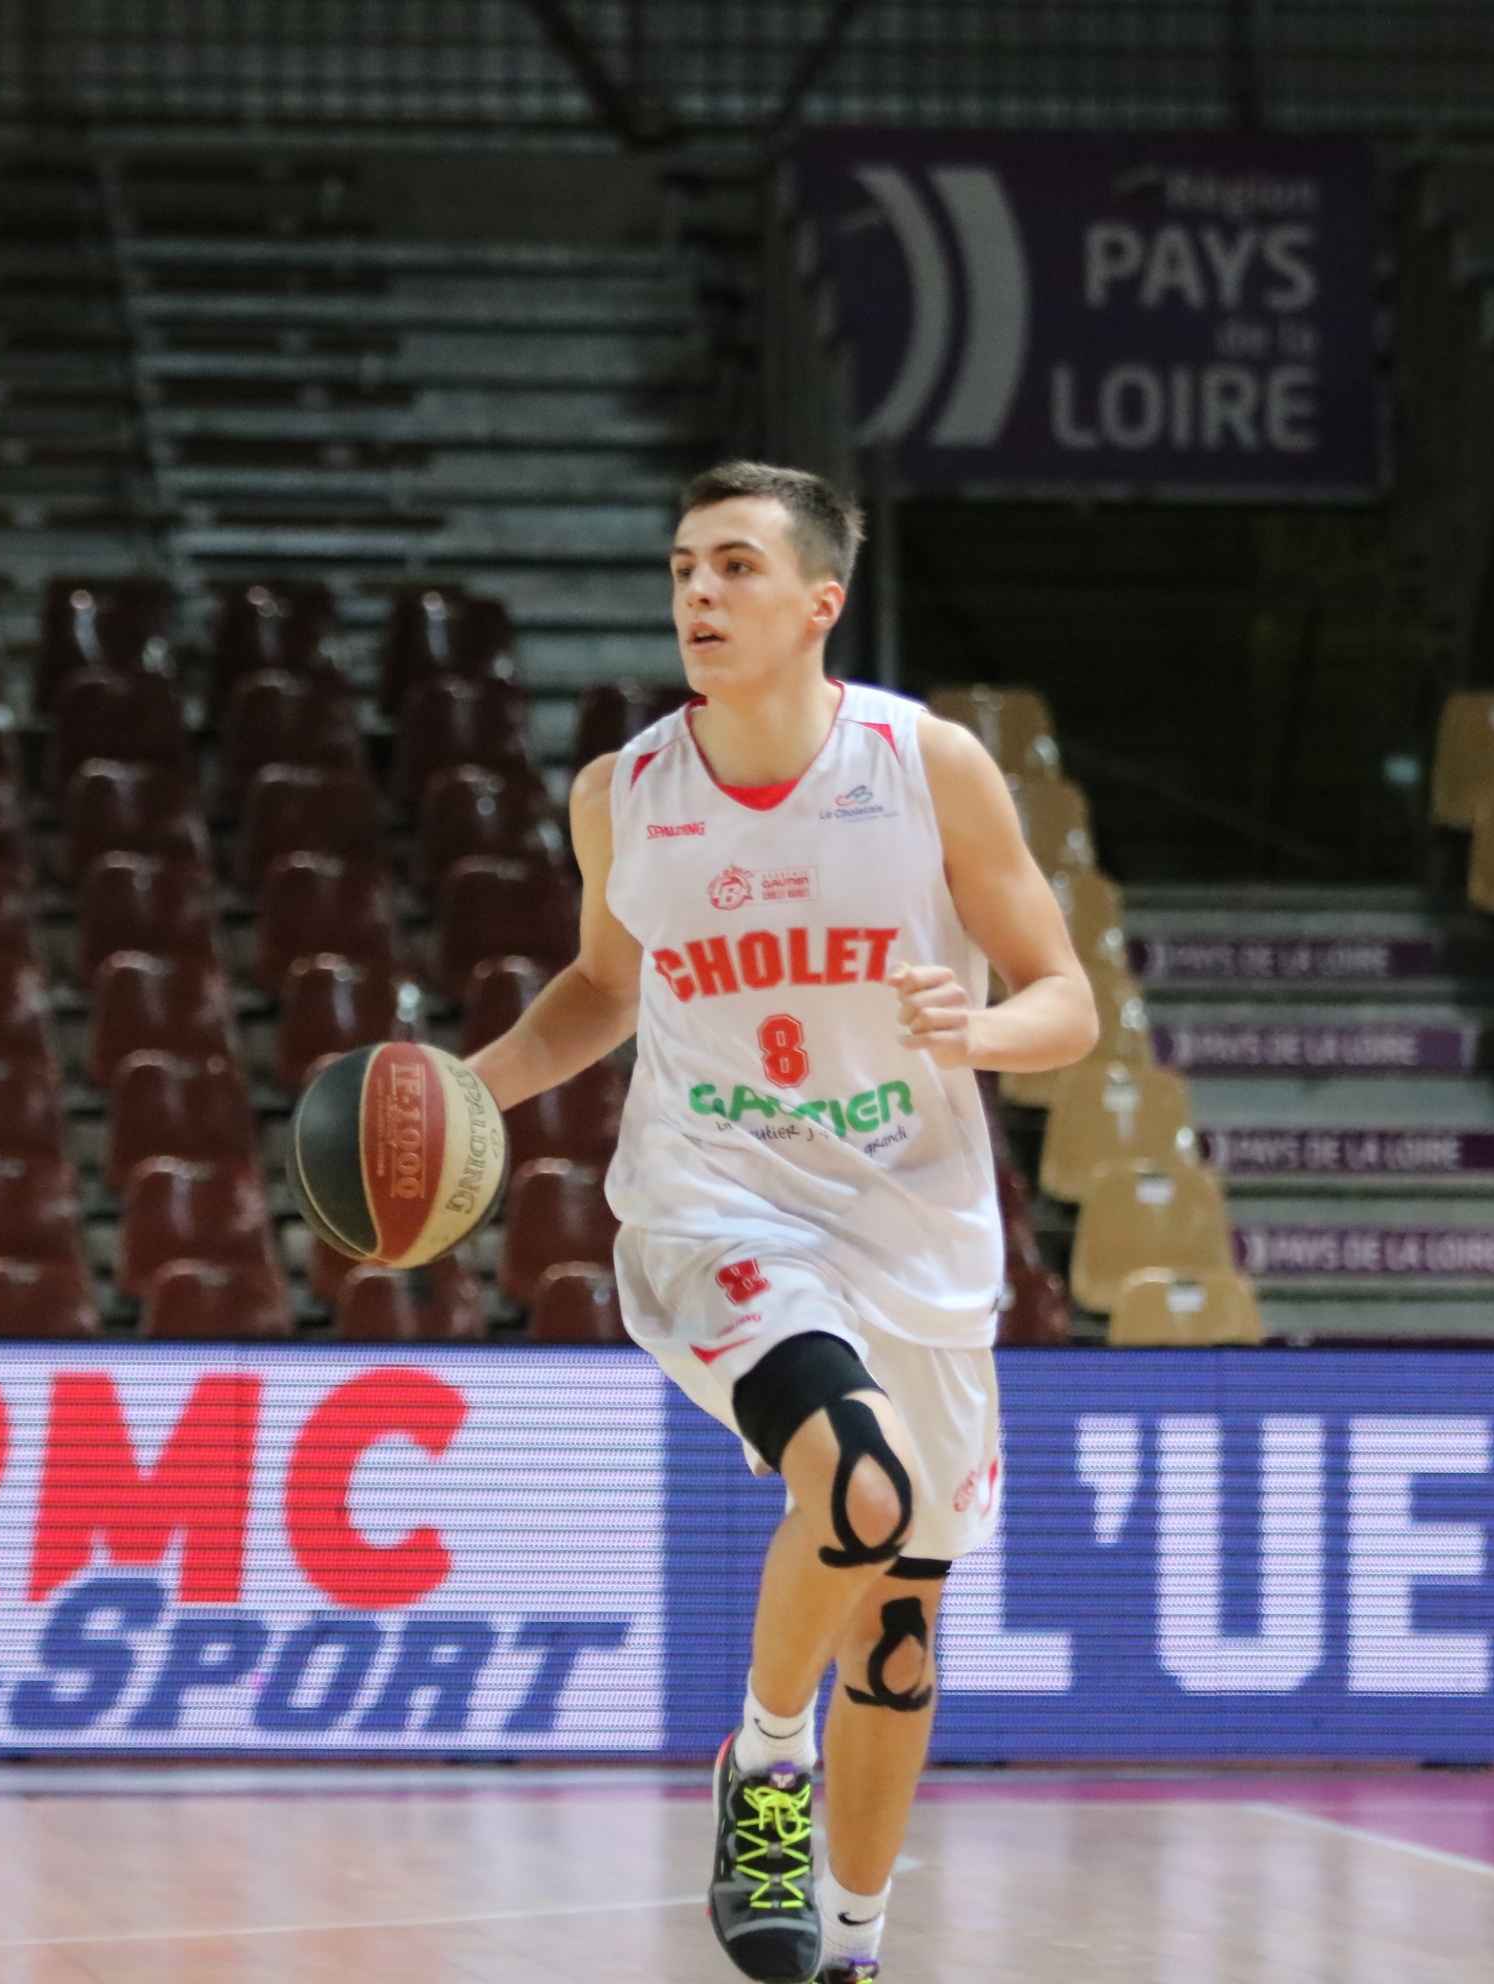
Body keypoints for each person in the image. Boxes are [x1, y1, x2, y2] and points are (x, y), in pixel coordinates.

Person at [466, 461, 1095, 1983]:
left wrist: (979, 1033)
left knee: (896, 1633)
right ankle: (762, 1769)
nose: (697, 592)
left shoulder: (927, 763)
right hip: (718, 1210)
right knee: (858, 1482)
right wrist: (467, 1100)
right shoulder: (625, 792)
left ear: (820, 602)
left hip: (919, 1236)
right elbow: (606, 990)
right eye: (683, 566)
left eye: (735, 566)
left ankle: (858, 1948)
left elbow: (1069, 1003)